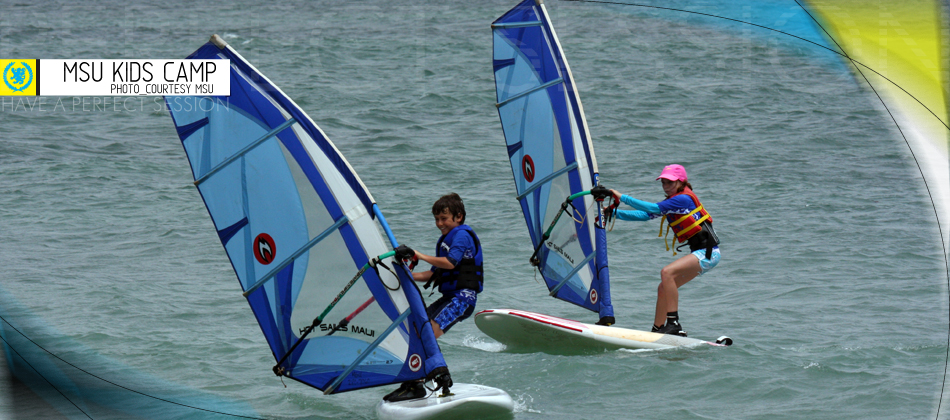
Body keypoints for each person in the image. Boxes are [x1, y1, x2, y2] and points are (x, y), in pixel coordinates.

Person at [383, 193, 482, 402]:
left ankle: (428, 381)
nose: (439, 224)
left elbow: (451, 263)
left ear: (458, 217)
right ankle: (414, 381)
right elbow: (433, 273)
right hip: (450, 297)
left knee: (426, 335)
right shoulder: (445, 240)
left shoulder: (462, 235)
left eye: (444, 219)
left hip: (462, 299)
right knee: (417, 329)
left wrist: (419, 254)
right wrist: (406, 276)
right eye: (436, 219)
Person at [608, 164, 720, 337]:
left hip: (707, 253)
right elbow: (645, 215)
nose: (666, 186)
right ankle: (658, 329)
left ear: (681, 182)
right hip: (702, 253)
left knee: (666, 273)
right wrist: (614, 213)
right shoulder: (673, 202)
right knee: (663, 288)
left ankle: (673, 323)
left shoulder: (683, 199)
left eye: (670, 182)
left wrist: (622, 197)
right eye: (663, 183)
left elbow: (652, 208)